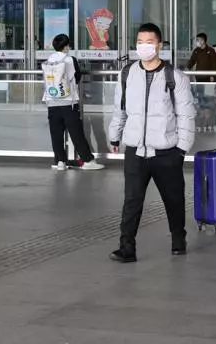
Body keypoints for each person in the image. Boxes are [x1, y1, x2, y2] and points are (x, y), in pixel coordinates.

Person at [109, 23, 195, 263]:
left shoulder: (174, 76)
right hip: (135, 150)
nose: (143, 47)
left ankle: (178, 238)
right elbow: (120, 109)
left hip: (167, 151)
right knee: (132, 200)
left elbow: (186, 116)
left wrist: (181, 149)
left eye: (149, 42)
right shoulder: (127, 73)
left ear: (159, 45)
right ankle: (127, 247)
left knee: (173, 199)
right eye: (139, 42)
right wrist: (115, 135)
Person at [43, 34, 104, 171]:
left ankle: (60, 161)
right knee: (76, 133)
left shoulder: (49, 60)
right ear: (66, 46)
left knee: (56, 134)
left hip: (51, 101)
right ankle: (87, 160)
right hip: (68, 102)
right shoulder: (70, 59)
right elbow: (77, 78)